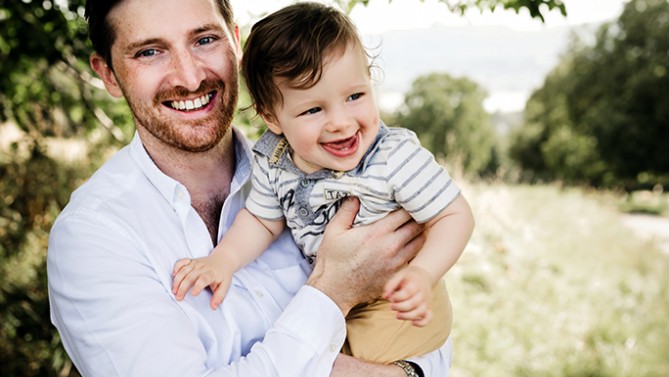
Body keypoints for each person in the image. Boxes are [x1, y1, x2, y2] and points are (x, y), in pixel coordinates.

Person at [46, 0, 456, 375]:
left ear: (234, 44)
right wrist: (334, 289)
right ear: (108, 75)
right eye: (149, 52)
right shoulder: (92, 237)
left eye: (205, 40)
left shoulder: (327, 163)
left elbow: (428, 336)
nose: (189, 77)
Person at [171, 1, 475, 365]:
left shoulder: (393, 156)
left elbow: (454, 215)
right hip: (340, 304)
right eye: (314, 110)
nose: (342, 122)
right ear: (273, 117)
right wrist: (223, 260)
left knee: (323, 364)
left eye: (355, 96)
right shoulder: (276, 163)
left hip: (394, 305)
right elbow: (261, 222)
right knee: (305, 353)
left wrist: (423, 274)